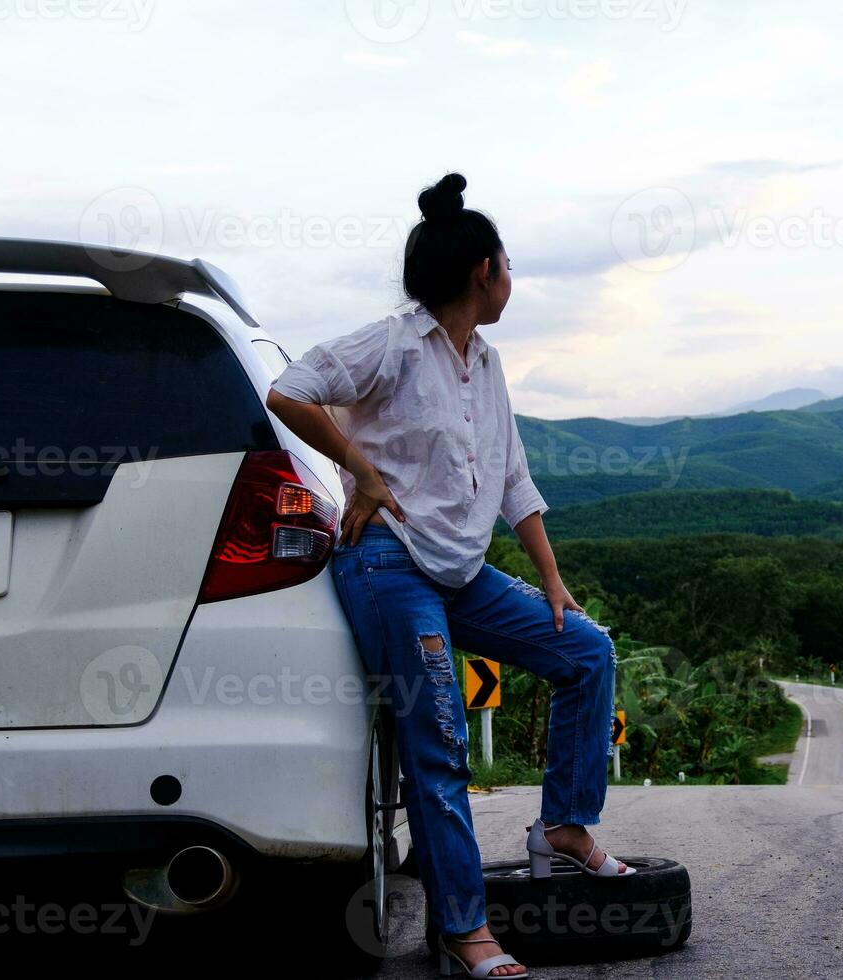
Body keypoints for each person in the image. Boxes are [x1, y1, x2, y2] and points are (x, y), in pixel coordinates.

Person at [267, 173, 629, 980]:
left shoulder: (487, 364)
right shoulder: (393, 343)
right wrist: (359, 469)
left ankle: (565, 825)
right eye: (507, 264)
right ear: (482, 273)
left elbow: (514, 483)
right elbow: (290, 391)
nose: (511, 278)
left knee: (588, 653)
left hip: (462, 571)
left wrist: (555, 584)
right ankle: (465, 930)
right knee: (440, 737)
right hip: (389, 563)